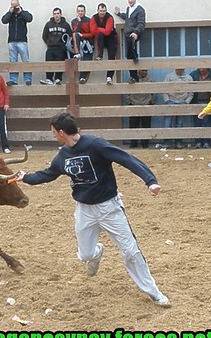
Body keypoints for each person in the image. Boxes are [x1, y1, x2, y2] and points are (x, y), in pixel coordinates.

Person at [16, 112, 170, 307]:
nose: (53, 135)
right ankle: (97, 253)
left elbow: (127, 159)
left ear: (62, 132)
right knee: (86, 255)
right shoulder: (63, 155)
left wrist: (150, 181)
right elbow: (49, 174)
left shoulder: (95, 145)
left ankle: (153, 292)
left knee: (130, 251)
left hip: (109, 208)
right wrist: (26, 177)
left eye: (54, 132)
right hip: (84, 210)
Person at [114, 0, 146, 83]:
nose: (130, 1)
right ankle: (134, 76)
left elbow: (141, 23)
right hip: (127, 33)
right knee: (129, 56)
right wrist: (119, 14)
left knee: (131, 54)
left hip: (133, 34)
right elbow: (128, 18)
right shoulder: (129, 8)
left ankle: (134, 74)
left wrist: (136, 32)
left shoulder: (140, 10)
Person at [1, 0, 33, 86]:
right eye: (12, 6)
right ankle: (13, 80)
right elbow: (4, 20)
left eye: (15, 6)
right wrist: (10, 12)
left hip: (22, 40)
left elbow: (30, 18)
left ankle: (28, 79)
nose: (14, 8)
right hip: (11, 41)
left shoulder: (24, 13)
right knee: (13, 61)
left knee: (25, 60)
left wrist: (20, 12)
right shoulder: (10, 15)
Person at [40, 7, 73, 85]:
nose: (56, 15)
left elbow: (70, 36)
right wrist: (49, 43)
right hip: (51, 48)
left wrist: (64, 45)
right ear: (53, 15)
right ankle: (49, 79)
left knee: (60, 63)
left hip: (61, 48)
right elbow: (44, 36)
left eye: (58, 14)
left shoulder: (66, 25)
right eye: (55, 14)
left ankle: (58, 79)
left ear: (60, 14)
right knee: (49, 63)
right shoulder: (48, 24)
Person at [162, 68, 194, 149]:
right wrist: (167, 100)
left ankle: (178, 142)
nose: (179, 71)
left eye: (181, 69)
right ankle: (167, 142)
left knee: (179, 123)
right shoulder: (169, 76)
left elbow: (191, 92)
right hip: (171, 101)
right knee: (167, 123)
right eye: (178, 69)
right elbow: (164, 89)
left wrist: (186, 102)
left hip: (182, 101)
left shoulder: (188, 78)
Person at [90, 3, 118, 84]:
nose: (102, 13)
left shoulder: (109, 18)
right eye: (100, 11)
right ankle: (100, 55)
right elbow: (92, 31)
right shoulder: (94, 18)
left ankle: (109, 77)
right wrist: (102, 29)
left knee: (112, 57)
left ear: (106, 11)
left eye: (104, 11)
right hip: (101, 38)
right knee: (100, 35)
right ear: (97, 10)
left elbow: (108, 32)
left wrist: (98, 28)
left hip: (112, 39)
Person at [127, 69, 155, 148]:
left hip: (146, 104)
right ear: (139, 71)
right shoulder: (132, 78)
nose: (144, 72)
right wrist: (130, 101)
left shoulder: (150, 79)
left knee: (146, 125)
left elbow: (154, 92)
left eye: (145, 71)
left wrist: (150, 102)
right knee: (133, 125)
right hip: (134, 104)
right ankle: (133, 143)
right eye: (142, 70)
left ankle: (145, 143)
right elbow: (128, 90)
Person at [190, 67, 211, 148]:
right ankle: (198, 142)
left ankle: (206, 142)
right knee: (197, 122)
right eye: (200, 67)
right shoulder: (193, 75)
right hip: (196, 100)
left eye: (203, 67)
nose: (201, 69)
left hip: (208, 101)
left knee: (206, 123)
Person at [70, 4, 94, 84]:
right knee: (75, 34)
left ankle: (82, 78)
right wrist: (79, 22)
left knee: (87, 62)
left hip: (88, 44)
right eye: (79, 11)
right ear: (77, 12)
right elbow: (75, 31)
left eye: (82, 11)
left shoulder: (89, 20)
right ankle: (77, 54)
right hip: (78, 44)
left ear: (85, 11)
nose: (80, 13)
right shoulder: (74, 21)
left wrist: (83, 35)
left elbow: (92, 34)